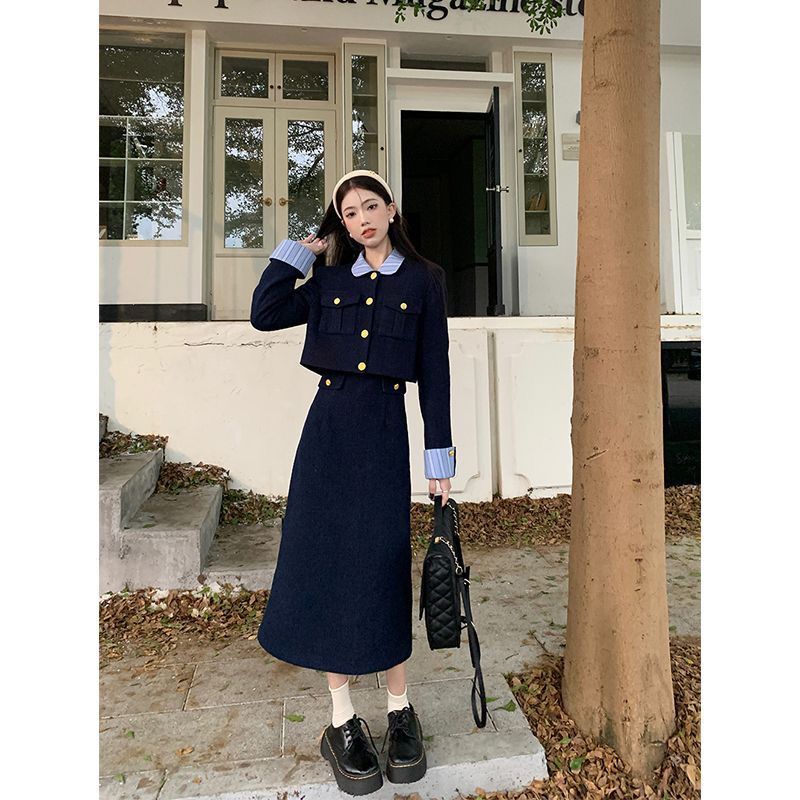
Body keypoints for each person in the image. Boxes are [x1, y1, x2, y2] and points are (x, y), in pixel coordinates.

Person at [250, 169, 456, 795]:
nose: (361, 219)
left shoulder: (424, 280)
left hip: (385, 436)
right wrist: (300, 252)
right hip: (327, 435)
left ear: (391, 210)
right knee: (330, 568)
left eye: (370, 206)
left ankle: (399, 709)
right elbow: (265, 314)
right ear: (340, 224)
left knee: (382, 567)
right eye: (349, 213)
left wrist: (440, 462)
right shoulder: (329, 280)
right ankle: (341, 719)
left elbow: (436, 373)